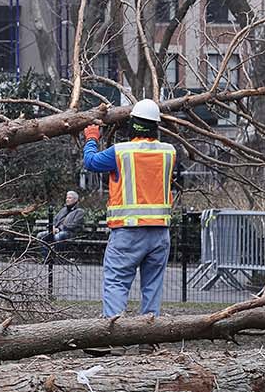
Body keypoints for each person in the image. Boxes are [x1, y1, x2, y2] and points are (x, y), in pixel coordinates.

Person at [82, 99, 177, 318]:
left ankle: (113, 336)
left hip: (128, 232)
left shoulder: (121, 152)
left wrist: (91, 138)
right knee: (152, 288)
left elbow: (91, 162)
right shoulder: (168, 152)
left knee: (116, 281)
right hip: (160, 232)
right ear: (156, 126)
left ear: (133, 124)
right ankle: (149, 338)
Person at [41, 189, 87, 260]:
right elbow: (54, 220)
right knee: (41, 236)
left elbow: (74, 225)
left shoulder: (79, 212)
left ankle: (58, 258)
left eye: (69, 198)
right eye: (67, 198)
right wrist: (52, 227)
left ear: (75, 200)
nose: (67, 199)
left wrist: (59, 229)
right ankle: (47, 258)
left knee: (57, 237)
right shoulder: (63, 210)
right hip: (56, 231)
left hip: (70, 233)